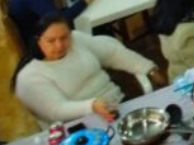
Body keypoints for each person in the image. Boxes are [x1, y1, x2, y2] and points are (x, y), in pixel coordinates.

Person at [13, 12, 157, 123]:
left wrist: (147, 68)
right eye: (51, 41)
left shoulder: (77, 40)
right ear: (38, 41)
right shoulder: (30, 76)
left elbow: (113, 53)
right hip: (83, 123)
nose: (59, 45)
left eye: (64, 37)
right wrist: (91, 106)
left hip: (117, 104)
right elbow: (56, 110)